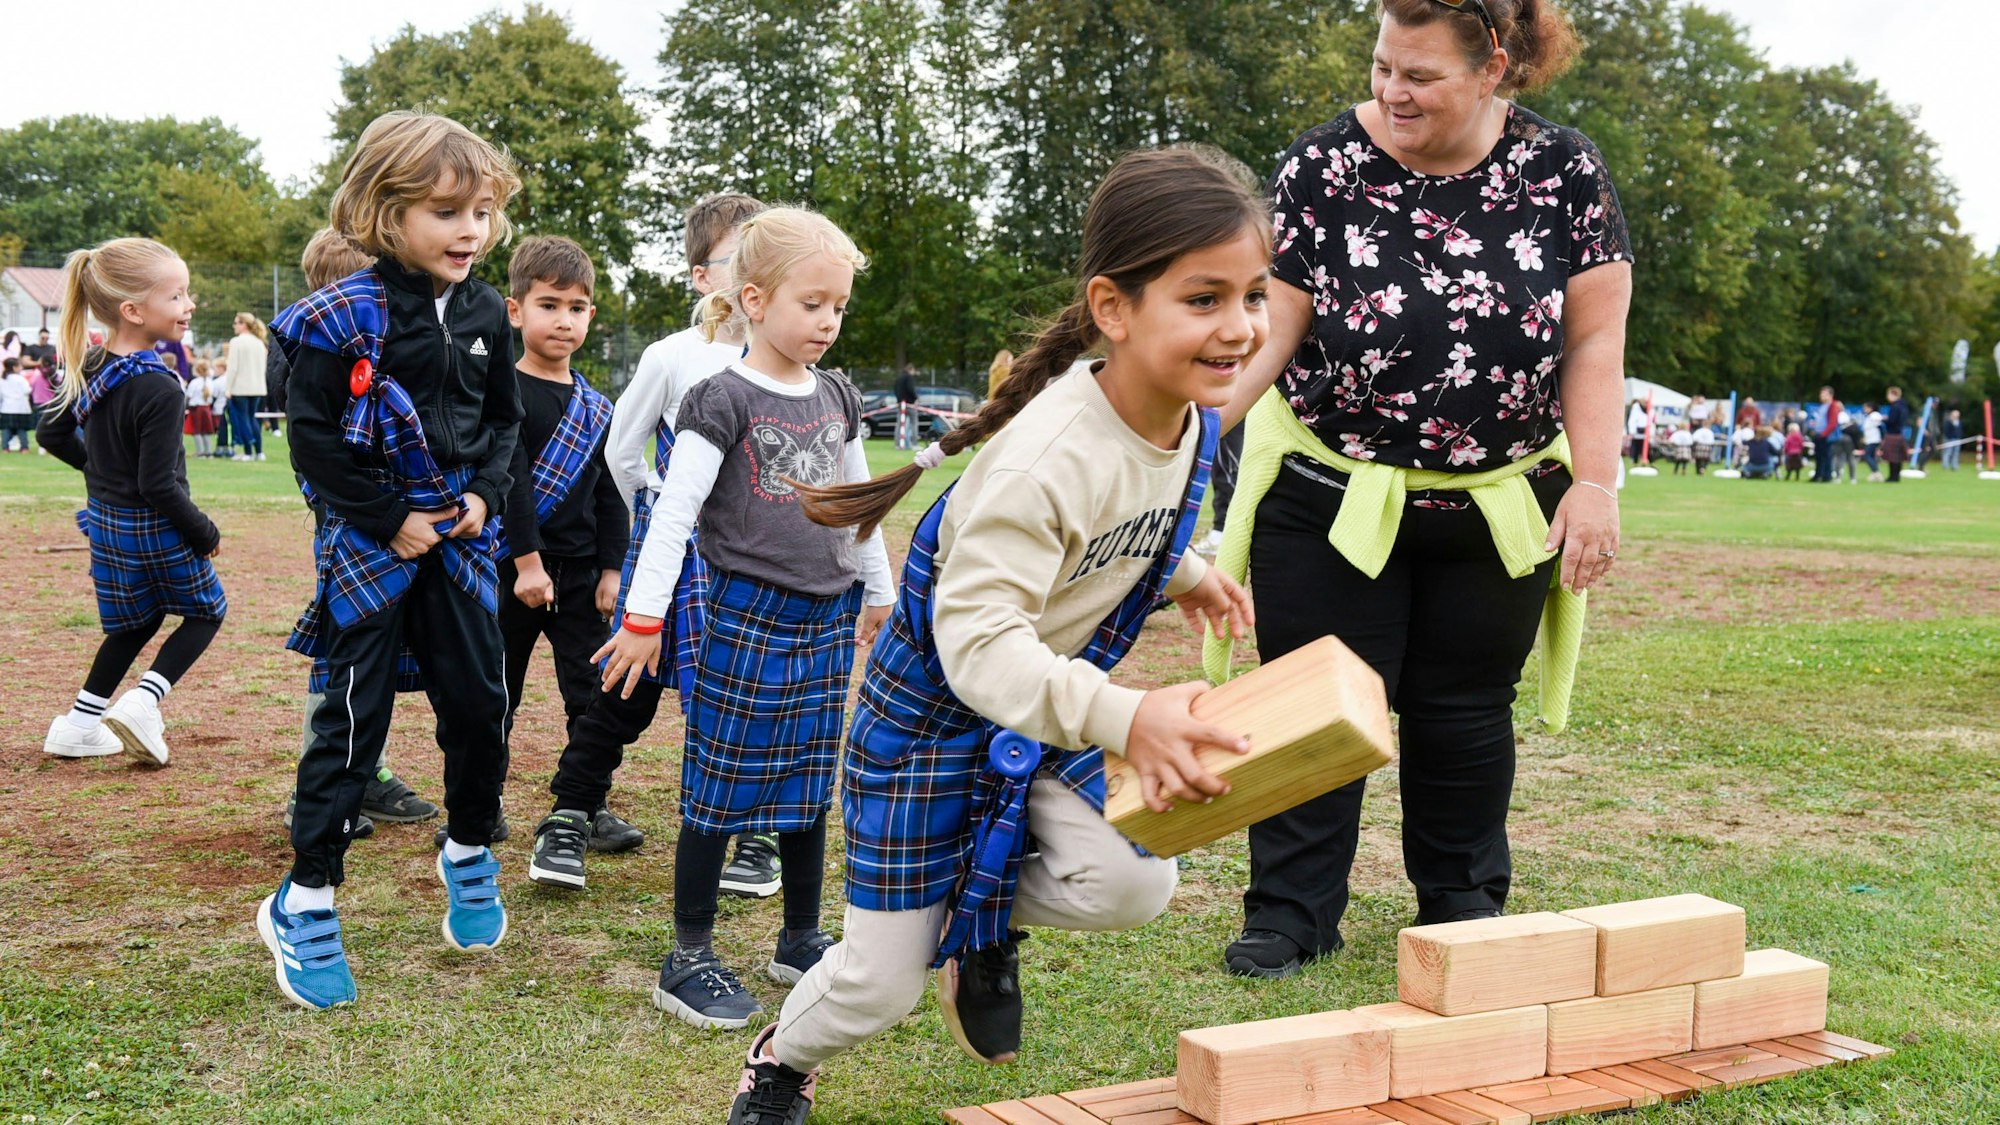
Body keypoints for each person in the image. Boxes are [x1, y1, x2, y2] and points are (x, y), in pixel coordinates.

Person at [719, 146, 1260, 1125]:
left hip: (1041, 704)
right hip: (934, 720)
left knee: (1134, 879)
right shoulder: (1042, 459)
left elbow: (1114, 525)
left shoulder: (1190, 420)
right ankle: (776, 1063)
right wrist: (1125, 718)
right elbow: (978, 647)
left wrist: (1181, 570)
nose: (1238, 328)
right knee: (876, 985)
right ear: (1112, 309)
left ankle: (975, 924)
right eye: (1204, 298)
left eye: (1251, 295)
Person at [1207, 0, 1628, 981]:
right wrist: (1173, 437)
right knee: (1314, 701)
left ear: (1491, 66)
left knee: (1465, 707)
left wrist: (1597, 482)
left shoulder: (1562, 171)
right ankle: (1290, 914)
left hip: (1497, 502)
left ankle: (1460, 900)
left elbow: (1594, 339)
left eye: (1419, 75)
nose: (1391, 91)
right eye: (1382, 66)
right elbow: (1270, 333)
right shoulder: (1319, 166)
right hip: (1326, 492)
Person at [592, 207, 895, 1034]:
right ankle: (687, 955)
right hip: (744, 616)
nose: (829, 321)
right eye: (812, 303)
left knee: (806, 780)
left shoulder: (836, 392)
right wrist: (645, 617)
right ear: (754, 300)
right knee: (720, 784)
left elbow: (855, 500)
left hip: (828, 620)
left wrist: (880, 589)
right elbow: (674, 512)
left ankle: (799, 937)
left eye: (839, 305)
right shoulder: (718, 396)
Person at [258, 111, 524, 1011]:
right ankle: (307, 898)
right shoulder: (341, 315)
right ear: (384, 209)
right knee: (351, 728)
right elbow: (313, 443)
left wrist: (483, 496)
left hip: (461, 540)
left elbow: (503, 424)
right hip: (371, 543)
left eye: (483, 211)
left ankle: (467, 846)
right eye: (447, 211)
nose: (470, 231)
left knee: (481, 707)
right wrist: (388, 516)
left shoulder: (491, 310)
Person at [586, 192, 770, 883]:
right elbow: (621, 451)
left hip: (758, 560)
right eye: (738, 259)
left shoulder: (780, 353)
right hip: (682, 555)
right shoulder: (674, 356)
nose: (758, 272)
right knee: (638, 689)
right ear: (702, 277)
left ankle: (755, 833)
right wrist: (663, 497)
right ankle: (576, 807)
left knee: (747, 692)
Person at [37, 237, 225, 766]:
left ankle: (78, 725)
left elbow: (49, 434)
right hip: (155, 525)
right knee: (207, 613)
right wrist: (204, 531)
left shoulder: (91, 364)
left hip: (105, 522)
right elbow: (158, 485)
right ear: (133, 311)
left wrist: (99, 476)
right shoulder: (162, 387)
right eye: (178, 296)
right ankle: (144, 702)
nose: (189, 305)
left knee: (133, 623)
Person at [279, 227, 438, 843]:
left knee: (376, 658)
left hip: (386, 516)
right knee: (340, 655)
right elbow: (315, 445)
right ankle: (310, 793)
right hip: (351, 523)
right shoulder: (313, 347)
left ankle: (364, 771)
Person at [486, 234, 635, 884]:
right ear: (516, 311)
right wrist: (526, 563)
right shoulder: (502, 393)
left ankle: (587, 803)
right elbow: (512, 481)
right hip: (510, 572)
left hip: (579, 581)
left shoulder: (599, 408)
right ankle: (479, 803)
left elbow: (613, 494)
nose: (564, 320)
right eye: (549, 305)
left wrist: (611, 571)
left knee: (592, 693)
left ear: (590, 317)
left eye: (577, 307)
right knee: (494, 693)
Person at [225, 313, 269, 461]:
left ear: (244, 325)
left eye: (236, 323)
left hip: (240, 387)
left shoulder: (237, 342)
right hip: (257, 387)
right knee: (252, 418)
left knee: (243, 418)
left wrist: (228, 388)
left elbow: (232, 367)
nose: (234, 326)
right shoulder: (259, 343)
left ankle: (248, 452)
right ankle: (259, 452)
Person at [183, 357, 217, 457]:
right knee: (206, 430)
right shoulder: (210, 382)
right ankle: (208, 451)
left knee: (196, 430)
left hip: (196, 409)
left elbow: (189, 395)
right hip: (207, 408)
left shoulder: (194, 382)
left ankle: (200, 451)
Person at [0, 358, 31, 451]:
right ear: (14, 368)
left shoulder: (2, 380)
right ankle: (24, 448)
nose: (21, 368)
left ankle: (5, 448)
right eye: (19, 366)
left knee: (6, 429)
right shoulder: (21, 379)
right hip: (20, 408)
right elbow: (27, 390)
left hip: (7, 408)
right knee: (21, 429)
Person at [1813, 386, 1841, 482]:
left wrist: (1824, 434)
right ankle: (1818, 475)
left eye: (1824, 394)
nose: (1821, 396)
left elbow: (1832, 423)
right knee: (1819, 457)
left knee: (1826, 456)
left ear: (1830, 395)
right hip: (1819, 434)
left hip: (1826, 436)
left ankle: (1826, 476)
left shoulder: (1832, 406)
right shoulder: (1822, 406)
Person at [893, 360, 919, 450]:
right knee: (914, 423)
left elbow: (895, 389)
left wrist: (898, 400)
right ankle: (914, 444)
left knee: (899, 424)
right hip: (910, 404)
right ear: (911, 369)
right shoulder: (909, 377)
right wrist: (915, 398)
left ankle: (897, 444)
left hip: (901, 404)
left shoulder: (899, 378)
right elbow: (910, 389)